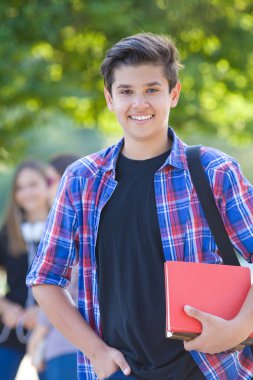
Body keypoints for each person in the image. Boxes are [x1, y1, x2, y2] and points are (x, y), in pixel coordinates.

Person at [26, 33, 253, 380]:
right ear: (109, 98)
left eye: (151, 90)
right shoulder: (82, 180)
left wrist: (238, 328)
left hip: (208, 369)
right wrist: (96, 351)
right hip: (119, 372)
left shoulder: (213, 170)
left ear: (173, 94)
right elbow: (44, 279)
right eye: (126, 92)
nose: (139, 104)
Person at [27, 154, 80, 380]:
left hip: (67, 344)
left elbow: (64, 283)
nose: (46, 190)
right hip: (66, 343)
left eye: (49, 181)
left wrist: (40, 329)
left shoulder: (75, 223)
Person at [0, 160, 50, 380]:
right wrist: (4, 307)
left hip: (55, 327)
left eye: (33, 184)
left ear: (47, 185)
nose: (26, 193)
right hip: (11, 326)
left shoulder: (65, 229)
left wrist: (45, 312)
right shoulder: (7, 233)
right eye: (20, 188)